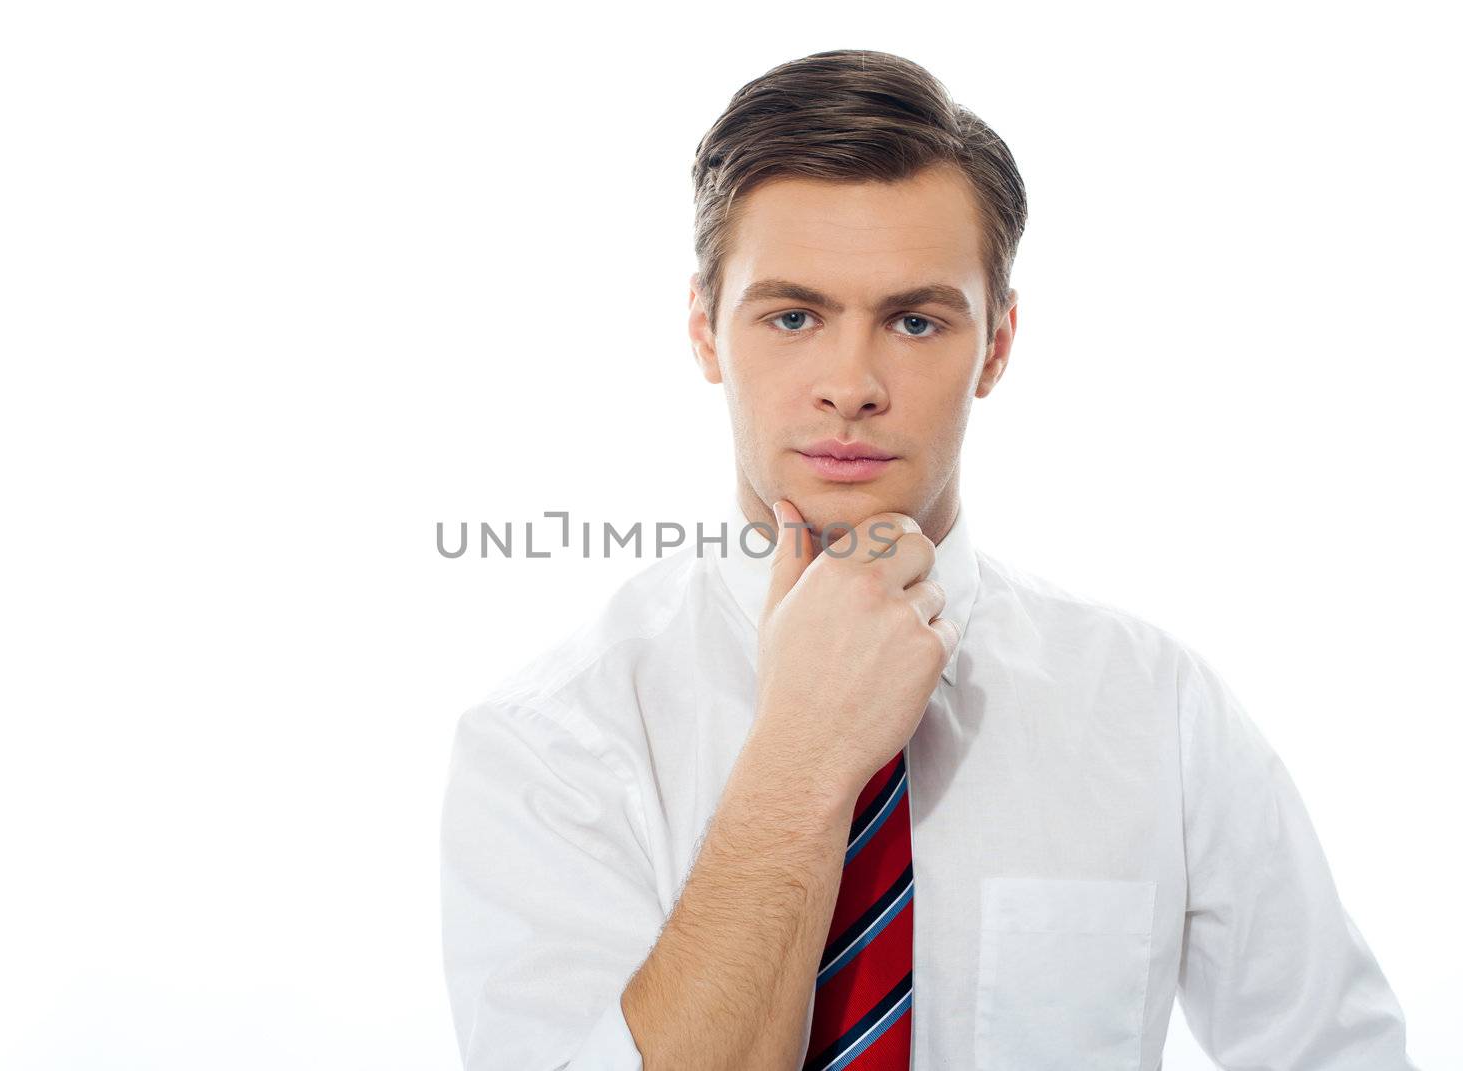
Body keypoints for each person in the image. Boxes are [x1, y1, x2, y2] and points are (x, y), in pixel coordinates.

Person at [437, 49, 1417, 1071]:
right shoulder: (551, 739)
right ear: (703, 333)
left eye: (914, 320)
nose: (851, 384)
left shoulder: (1153, 707)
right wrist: (802, 757)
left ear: (995, 343)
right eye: (792, 316)